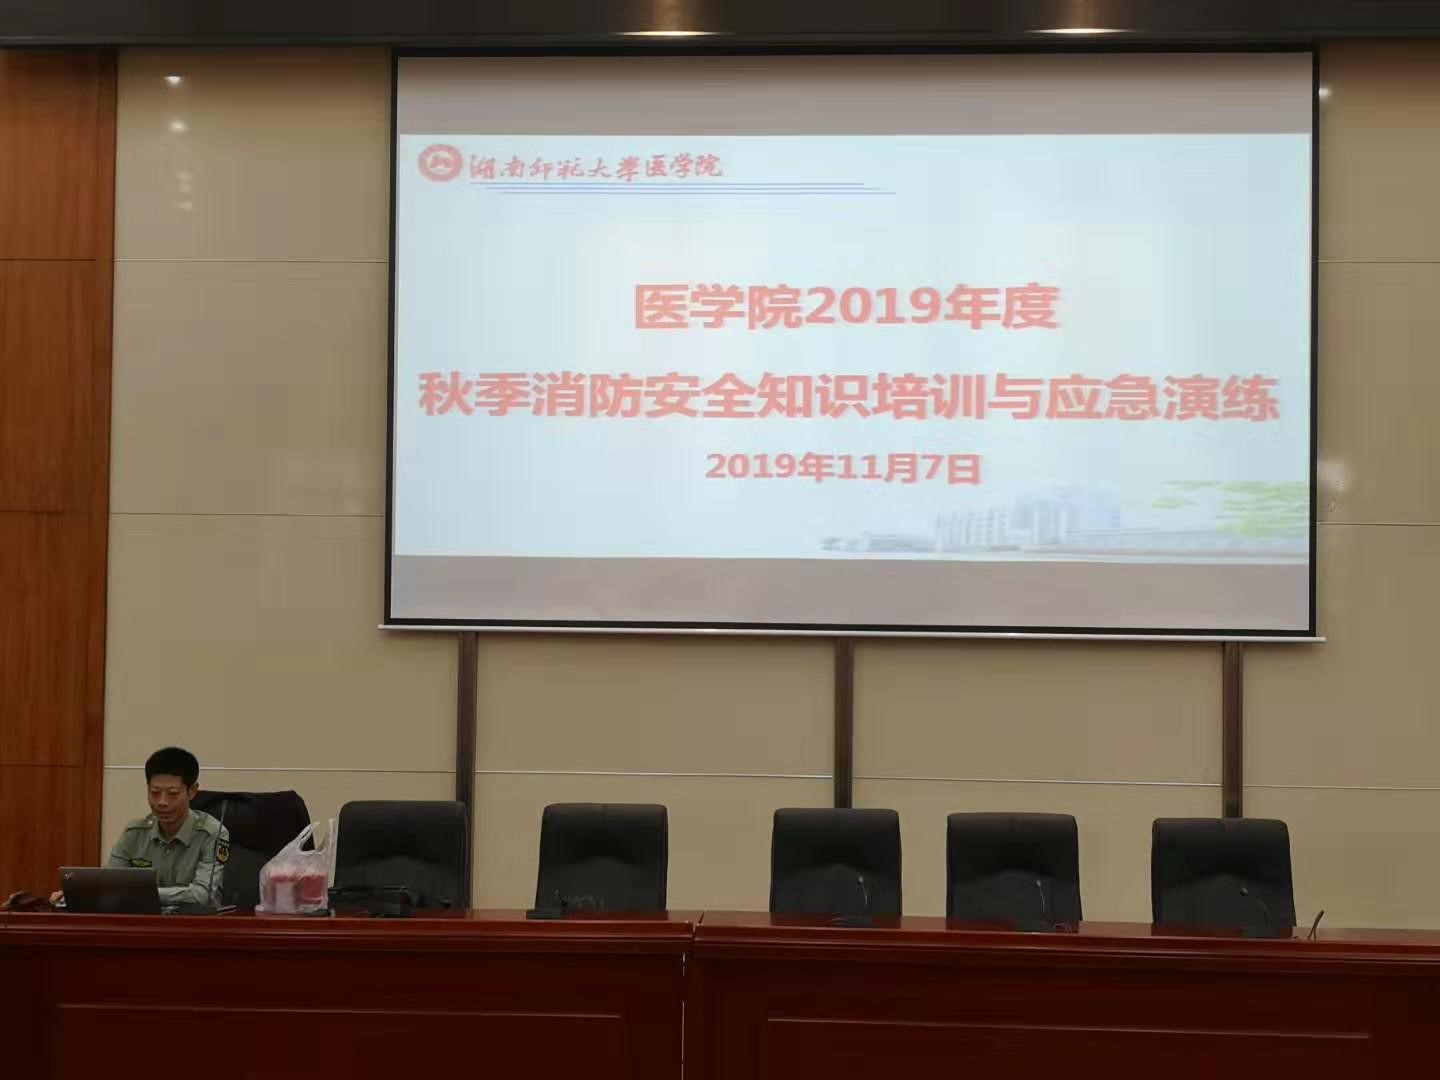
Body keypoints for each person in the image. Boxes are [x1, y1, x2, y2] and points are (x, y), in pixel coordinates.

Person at [53, 746, 230, 908]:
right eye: (155, 793)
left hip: (194, 926)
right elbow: (108, 883)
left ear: (192, 791)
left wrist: (141, 893)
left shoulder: (212, 834)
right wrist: (78, 894)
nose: (162, 802)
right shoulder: (135, 833)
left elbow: (202, 895)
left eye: (172, 794)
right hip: (142, 924)